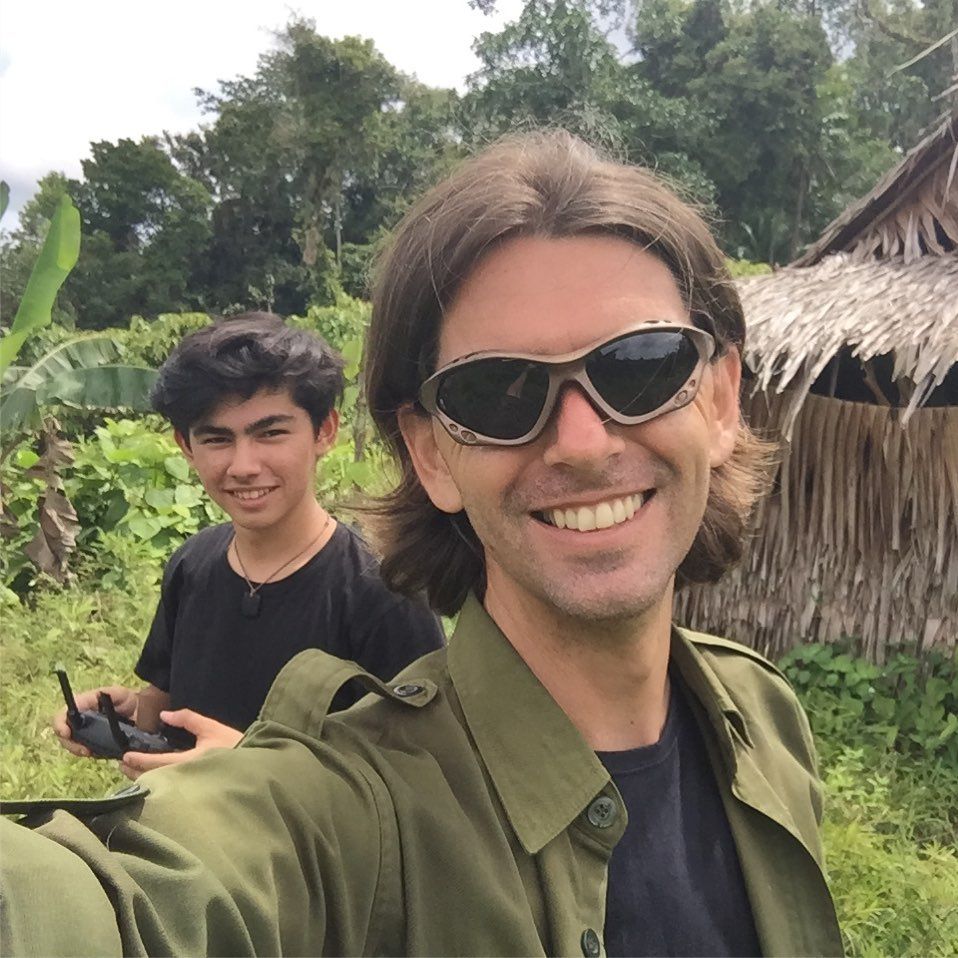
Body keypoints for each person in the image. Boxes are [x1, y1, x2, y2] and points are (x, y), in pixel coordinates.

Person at [2, 133, 843, 957]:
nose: (583, 443)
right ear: (431, 453)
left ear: (722, 398)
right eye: (497, 391)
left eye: (641, 365)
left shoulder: (761, 717)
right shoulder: (348, 807)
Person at [51, 313, 444, 777]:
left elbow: (420, 774)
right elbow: (167, 710)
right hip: (181, 834)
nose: (243, 465)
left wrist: (246, 767)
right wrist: (125, 717)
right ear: (185, 446)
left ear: (325, 432)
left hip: (306, 848)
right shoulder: (192, 565)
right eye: (217, 439)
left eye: (270, 433)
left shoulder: (383, 590)